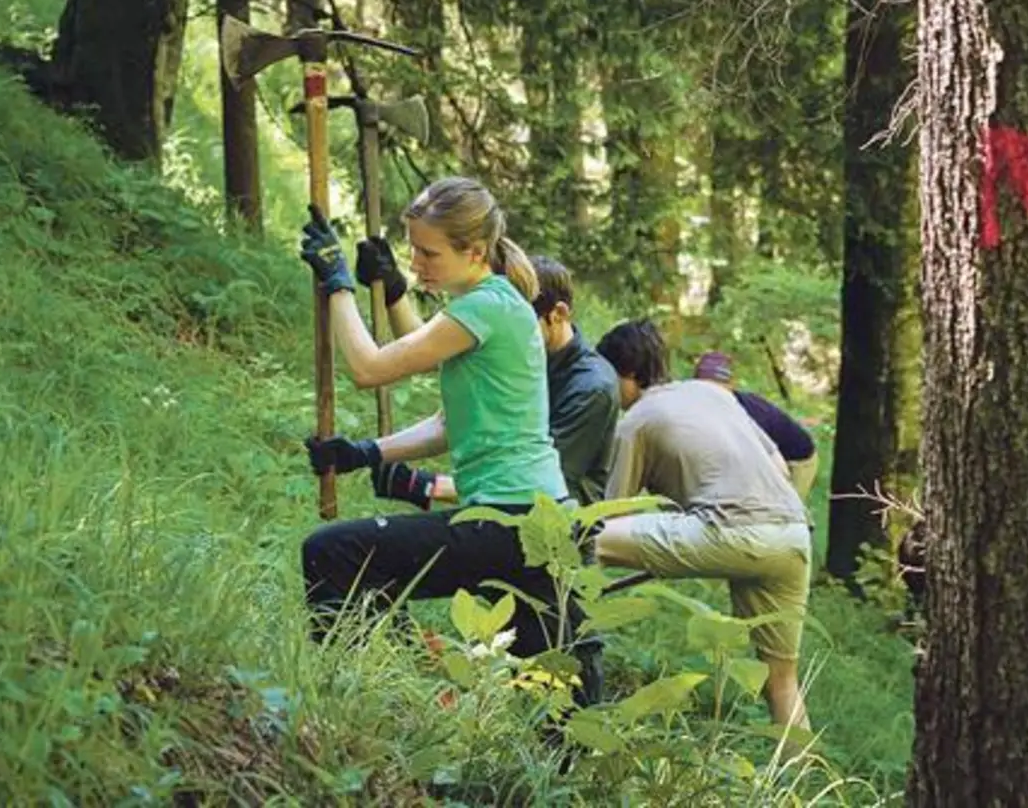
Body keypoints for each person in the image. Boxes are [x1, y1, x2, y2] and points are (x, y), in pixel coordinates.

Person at [294, 177, 599, 703]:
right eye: (413, 249)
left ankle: (368, 701)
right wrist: (367, 452)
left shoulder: (486, 308)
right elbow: (448, 424)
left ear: (475, 251)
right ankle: (396, 698)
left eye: (429, 253)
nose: (417, 264)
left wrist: (338, 284)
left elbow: (370, 368)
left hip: (509, 521)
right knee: (557, 702)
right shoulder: (495, 305)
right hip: (539, 521)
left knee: (334, 553)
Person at [589, 320, 813, 732]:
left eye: (608, 378)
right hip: (793, 534)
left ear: (629, 373)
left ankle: (564, 641)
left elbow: (609, 518)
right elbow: (781, 466)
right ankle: (805, 772)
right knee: (781, 681)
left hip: (731, 531)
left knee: (588, 540)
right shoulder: (712, 394)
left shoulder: (636, 421)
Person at [351, 250, 620, 510]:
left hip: (557, 524)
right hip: (504, 506)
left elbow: (537, 484)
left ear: (558, 314)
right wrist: (394, 291)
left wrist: (426, 486)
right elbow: (427, 352)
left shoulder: (591, 389)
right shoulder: (516, 352)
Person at [692, 351, 819, 502]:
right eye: (706, 389)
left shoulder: (750, 415)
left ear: (731, 386)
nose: (713, 395)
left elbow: (773, 465)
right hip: (764, 455)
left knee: (782, 507)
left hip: (797, 460)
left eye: (718, 389)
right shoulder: (699, 407)